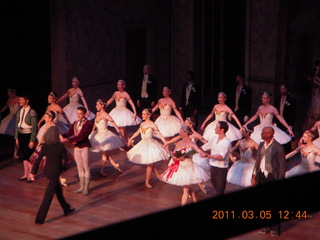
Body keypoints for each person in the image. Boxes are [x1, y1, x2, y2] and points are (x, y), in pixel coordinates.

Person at [31, 126, 74, 225]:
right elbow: (66, 159)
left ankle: (66, 209)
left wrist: (34, 171)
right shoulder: (60, 146)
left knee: (58, 191)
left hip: (48, 172)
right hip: (55, 172)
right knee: (48, 195)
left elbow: (38, 159)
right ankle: (39, 218)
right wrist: (65, 167)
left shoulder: (45, 146)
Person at [161, 125, 209, 206]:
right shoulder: (179, 143)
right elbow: (174, 155)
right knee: (187, 187)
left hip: (189, 168)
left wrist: (203, 154)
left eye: (181, 132)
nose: (180, 133)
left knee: (186, 189)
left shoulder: (192, 144)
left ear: (186, 133)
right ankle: (194, 199)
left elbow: (198, 150)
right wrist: (171, 153)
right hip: (181, 167)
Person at [251, 126, 286, 237]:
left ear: (270, 134)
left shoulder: (278, 148)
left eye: (263, 133)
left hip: (272, 176)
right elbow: (258, 161)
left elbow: (282, 167)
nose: (261, 134)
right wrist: (254, 176)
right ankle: (266, 226)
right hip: (262, 176)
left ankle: (275, 228)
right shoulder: (261, 144)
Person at [127, 108, 169, 189]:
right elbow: (137, 132)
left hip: (151, 145)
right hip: (143, 144)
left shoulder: (153, 124)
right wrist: (130, 138)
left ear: (149, 115)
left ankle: (147, 182)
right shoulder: (142, 124)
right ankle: (158, 176)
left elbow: (159, 134)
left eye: (144, 114)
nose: (142, 116)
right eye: (142, 114)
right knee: (150, 163)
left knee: (149, 164)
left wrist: (165, 143)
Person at [62, 106, 93, 195]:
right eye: (77, 113)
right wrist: (62, 136)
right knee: (79, 166)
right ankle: (81, 186)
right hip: (77, 147)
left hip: (84, 147)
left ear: (84, 114)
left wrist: (69, 140)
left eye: (80, 113)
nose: (78, 115)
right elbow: (69, 133)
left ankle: (86, 187)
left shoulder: (88, 124)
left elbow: (82, 136)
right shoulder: (75, 123)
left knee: (86, 166)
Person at [89, 99, 124, 176]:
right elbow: (95, 123)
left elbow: (113, 123)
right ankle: (115, 165)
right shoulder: (97, 113)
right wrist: (92, 131)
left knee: (104, 154)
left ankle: (102, 170)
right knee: (106, 154)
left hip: (105, 136)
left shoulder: (106, 115)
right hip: (97, 134)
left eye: (97, 105)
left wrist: (119, 132)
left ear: (102, 105)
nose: (96, 106)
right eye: (96, 104)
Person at [105, 79, 141, 144]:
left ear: (123, 86)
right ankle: (129, 140)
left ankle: (121, 143)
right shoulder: (115, 93)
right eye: (118, 85)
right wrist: (104, 106)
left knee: (121, 129)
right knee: (120, 128)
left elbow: (131, 103)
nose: (118, 86)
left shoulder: (125, 94)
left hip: (123, 112)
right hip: (116, 111)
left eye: (120, 85)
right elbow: (110, 100)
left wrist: (135, 112)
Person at [201, 121, 232, 196]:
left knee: (220, 190)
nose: (215, 129)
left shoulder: (226, 142)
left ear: (222, 130)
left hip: (221, 169)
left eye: (217, 127)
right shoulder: (214, 138)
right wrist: (193, 149)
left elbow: (220, 156)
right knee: (214, 184)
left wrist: (207, 156)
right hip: (213, 166)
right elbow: (205, 147)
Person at [15, 94, 38, 182]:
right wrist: (16, 137)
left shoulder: (32, 112)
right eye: (19, 100)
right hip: (21, 134)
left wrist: (32, 140)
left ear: (27, 100)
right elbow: (16, 125)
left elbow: (34, 127)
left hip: (28, 135)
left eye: (21, 100)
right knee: (24, 155)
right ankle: (25, 173)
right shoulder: (19, 111)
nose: (20, 101)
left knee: (29, 156)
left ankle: (30, 174)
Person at [274, 84, 297, 153]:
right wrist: (274, 121)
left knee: (287, 137)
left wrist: (291, 125)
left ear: (286, 90)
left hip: (287, 121)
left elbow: (293, 113)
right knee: (278, 136)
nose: (281, 90)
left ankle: (286, 153)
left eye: (283, 89)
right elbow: (275, 110)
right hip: (279, 121)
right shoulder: (278, 98)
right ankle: (278, 152)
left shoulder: (291, 100)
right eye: (281, 89)